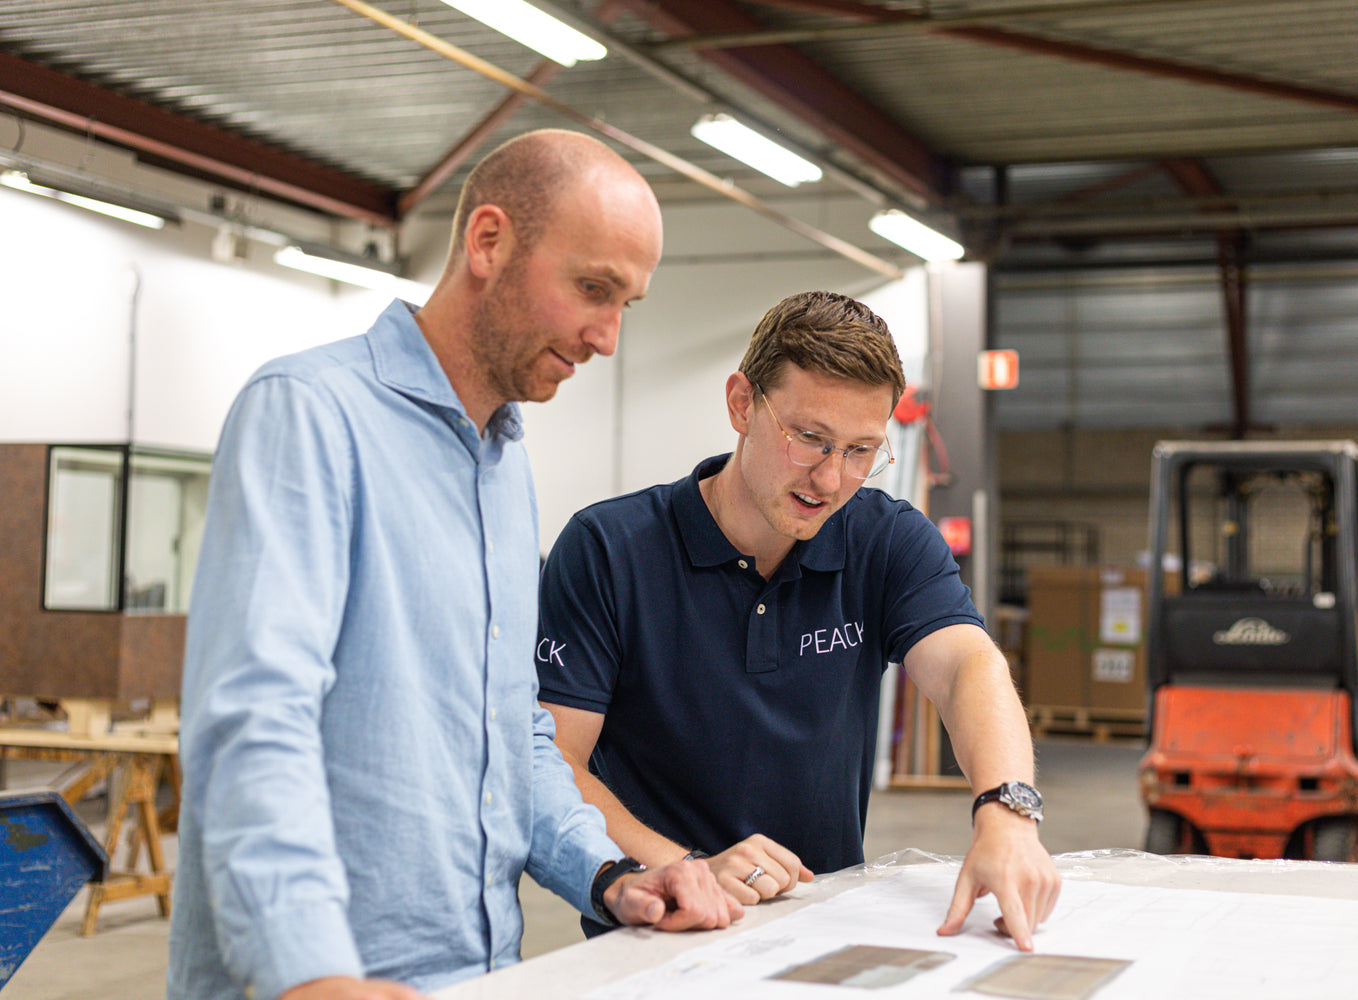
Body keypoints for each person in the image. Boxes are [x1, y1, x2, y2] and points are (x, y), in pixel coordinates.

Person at [168, 129, 739, 1000]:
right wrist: (311, 975)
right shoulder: (312, 417)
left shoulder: (505, 471)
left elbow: (514, 738)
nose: (608, 338)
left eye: (628, 304)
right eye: (593, 288)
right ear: (488, 242)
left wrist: (611, 871)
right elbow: (255, 724)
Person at [536, 290, 1061, 950]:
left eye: (862, 450)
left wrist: (1007, 810)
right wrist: (679, 866)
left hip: (827, 932)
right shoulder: (610, 549)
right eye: (810, 439)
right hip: (658, 938)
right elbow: (555, 759)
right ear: (740, 404)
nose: (833, 479)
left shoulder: (885, 540)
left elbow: (965, 667)